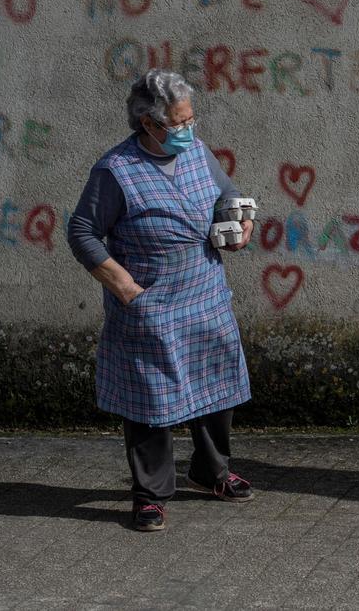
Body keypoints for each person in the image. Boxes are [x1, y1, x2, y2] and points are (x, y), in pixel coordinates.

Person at [67, 69, 256, 532]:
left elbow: (227, 195)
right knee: (150, 400)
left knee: (217, 388)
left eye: (191, 119)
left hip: (205, 292)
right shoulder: (116, 170)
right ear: (148, 124)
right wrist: (127, 289)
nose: (188, 131)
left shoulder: (197, 150)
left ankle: (210, 471)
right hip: (151, 300)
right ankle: (150, 494)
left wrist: (239, 225)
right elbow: (82, 232)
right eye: (178, 123)